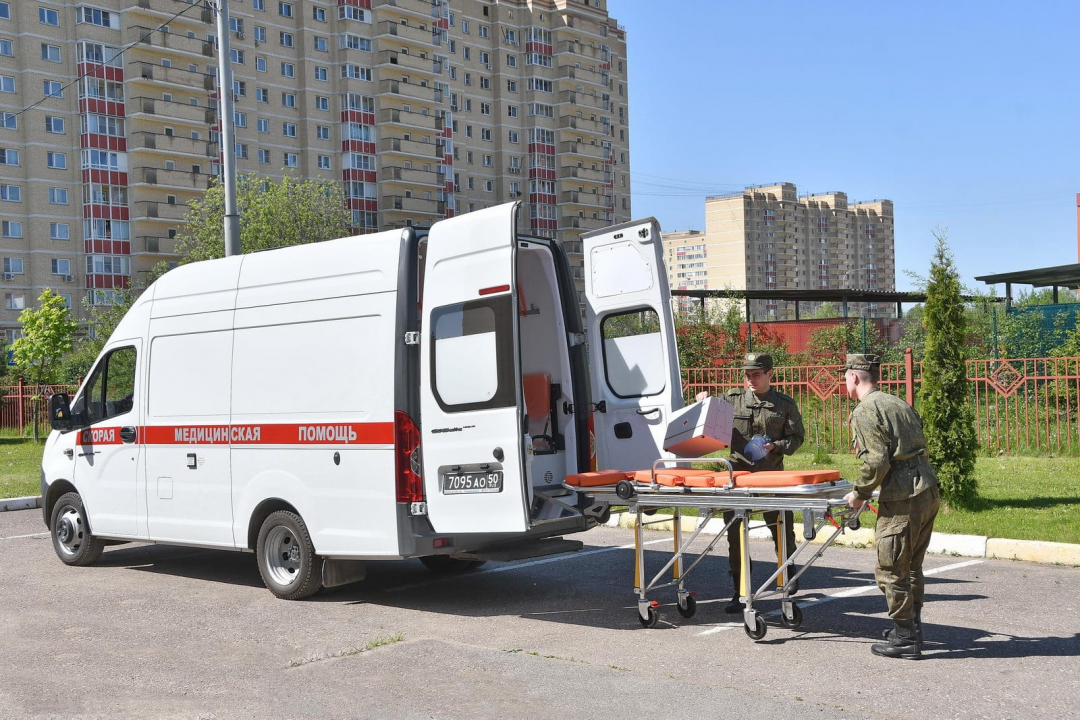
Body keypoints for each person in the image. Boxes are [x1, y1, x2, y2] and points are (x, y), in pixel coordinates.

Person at [841, 353, 940, 660]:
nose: (844, 383)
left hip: (902, 497)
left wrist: (859, 493)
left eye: (845, 377)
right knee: (910, 565)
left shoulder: (865, 410)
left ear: (855, 378)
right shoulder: (896, 402)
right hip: (927, 488)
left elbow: (875, 461)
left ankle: (905, 638)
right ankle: (911, 629)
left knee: (890, 567)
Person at [719, 352, 805, 614]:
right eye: (747, 375)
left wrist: (775, 445)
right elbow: (712, 423)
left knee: (781, 527)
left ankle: (787, 574)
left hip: (771, 475)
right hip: (739, 476)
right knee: (736, 534)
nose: (751, 380)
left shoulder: (783, 404)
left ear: (770, 374)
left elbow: (796, 437)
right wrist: (704, 404)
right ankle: (740, 590)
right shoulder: (731, 400)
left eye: (756, 374)